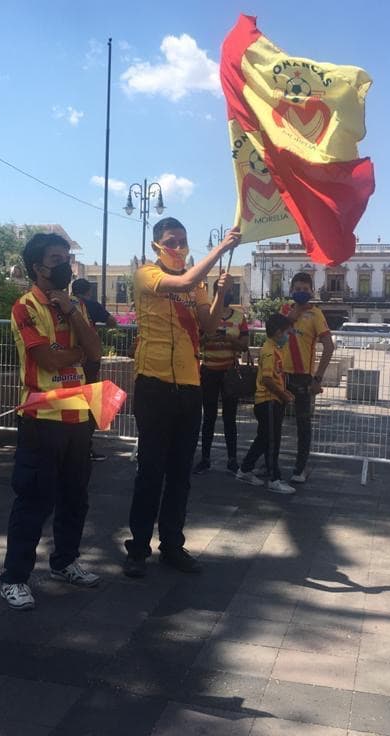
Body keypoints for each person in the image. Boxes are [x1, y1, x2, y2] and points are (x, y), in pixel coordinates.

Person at [122, 218, 240, 579]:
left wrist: (220, 293)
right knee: (150, 471)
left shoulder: (197, 284)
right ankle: (138, 548)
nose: (178, 246)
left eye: (183, 240)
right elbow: (184, 281)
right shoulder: (146, 274)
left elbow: (208, 325)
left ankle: (172, 545)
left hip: (190, 384)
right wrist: (221, 247)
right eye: (171, 240)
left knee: (180, 474)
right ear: (157, 244)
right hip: (153, 384)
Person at [0, 234, 103, 610]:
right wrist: (73, 353)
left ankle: (65, 562)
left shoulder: (76, 305)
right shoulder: (24, 306)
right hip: (41, 417)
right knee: (34, 499)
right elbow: (49, 360)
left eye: (67, 258)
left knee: (76, 496)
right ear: (36, 267)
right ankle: (14, 577)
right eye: (56, 259)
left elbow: (95, 353)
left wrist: (73, 315)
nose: (65, 265)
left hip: (78, 415)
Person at [278, 273, 335, 484]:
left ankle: (299, 468)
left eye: (305, 289)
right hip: (280, 375)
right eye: (297, 288)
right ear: (291, 289)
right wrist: (297, 310)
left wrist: (317, 378)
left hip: (302, 377)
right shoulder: (284, 310)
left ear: (311, 291)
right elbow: (277, 331)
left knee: (303, 424)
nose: (301, 292)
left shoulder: (316, 314)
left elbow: (329, 346)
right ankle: (269, 463)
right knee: (272, 422)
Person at [194, 284, 249, 475]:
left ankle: (232, 459)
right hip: (208, 371)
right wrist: (207, 339)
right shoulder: (207, 316)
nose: (225, 294)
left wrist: (230, 340)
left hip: (229, 373)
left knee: (229, 418)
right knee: (208, 417)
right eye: (221, 290)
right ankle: (205, 458)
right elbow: (196, 342)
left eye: (228, 291)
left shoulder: (239, 316)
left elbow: (244, 345)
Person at [237, 314, 296, 494]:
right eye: (287, 332)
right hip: (268, 401)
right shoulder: (270, 351)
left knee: (263, 439)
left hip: (271, 400)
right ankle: (274, 478)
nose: (289, 335)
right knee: (272, 441)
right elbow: (268, 379)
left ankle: (245, 469)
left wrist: (284, 392)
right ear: (279, 332)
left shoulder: (275, 348)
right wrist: (283, 395)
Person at [71, 278, 116, 462]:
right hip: (88, 361)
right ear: (88, 291)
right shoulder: (91, 305)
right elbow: (112, 322)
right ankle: (85, 448)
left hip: (69, 361)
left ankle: (71, 447)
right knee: (88, 403)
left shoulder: (65, 303)